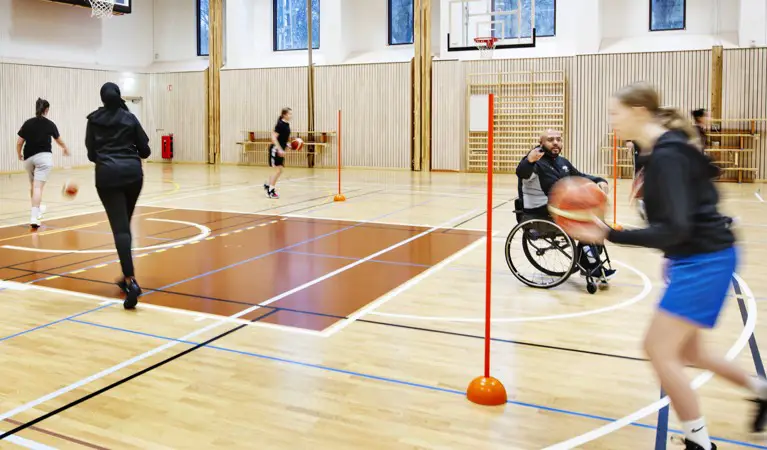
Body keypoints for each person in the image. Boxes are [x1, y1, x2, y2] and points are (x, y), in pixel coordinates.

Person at [568, 82, 767, 450]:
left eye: (616, 113)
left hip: (705, 260)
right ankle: (762, 391)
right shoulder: (653, 153)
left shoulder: (668, 156)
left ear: (640, 111)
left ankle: (700, 443)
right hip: (694, 257)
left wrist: (609, 235)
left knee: (658, 350)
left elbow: (674, 228)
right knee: (691, 354)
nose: (611, 121)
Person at [516, 129, 615, 279]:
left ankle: (588, 261)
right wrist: (529, 160)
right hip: (539, 212)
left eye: (558, 139)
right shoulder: (534, 163)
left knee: (596, 217)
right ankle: (592, 266)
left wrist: (599, 180)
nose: (555, 142)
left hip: (558, 209)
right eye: (550, 139)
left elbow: (580, 176)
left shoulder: (562, 162)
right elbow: (522, 172)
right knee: (585, 220)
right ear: (541, 143)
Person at [86, 82, 151, 310]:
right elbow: (145, 150)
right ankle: (127, 277)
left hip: (107, 176)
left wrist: (107, 157)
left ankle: (130, 280)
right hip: (133, 175)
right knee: (125, 227)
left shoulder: (93, 120)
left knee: (120, 229)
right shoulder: (130, 118)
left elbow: (91, 153)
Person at [16, 98, 70, 228]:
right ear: (46, 110)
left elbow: (19, 142)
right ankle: (34, 217)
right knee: (38, 188)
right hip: (44, 158)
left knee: (34, 186)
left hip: (29, 159)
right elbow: (59, 140)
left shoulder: (27, 123)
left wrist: (19, 154)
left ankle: (37, 208)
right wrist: (65, 148)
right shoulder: (50, 124)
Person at [263, 107, 292, 199]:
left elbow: (283, 139)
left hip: (280, 149)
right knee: (278, 170)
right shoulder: (280, 124)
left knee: (279, 170)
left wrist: (288, 144)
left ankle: (268, 185)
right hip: (275, 149)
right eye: (289, 114)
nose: (291, 115)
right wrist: (279, 149)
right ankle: (270, 191)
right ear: (284, 115)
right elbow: (274, 138)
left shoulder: (287, 125)